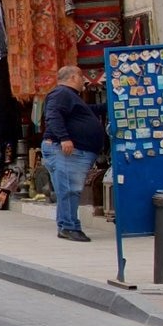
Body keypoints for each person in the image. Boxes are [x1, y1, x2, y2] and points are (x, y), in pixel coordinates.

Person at [40, 65, 107, 242]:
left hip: (71, 151)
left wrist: (106, 107)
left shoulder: (70, 97)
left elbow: (85, 112)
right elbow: (53, 115)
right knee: (69, 189)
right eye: (80, 76)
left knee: (69, 190)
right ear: (72, 78)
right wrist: (64, 138)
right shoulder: (62, 93)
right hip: (66, 151)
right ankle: (69, 227)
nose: (84, 80)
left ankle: (67, 225)